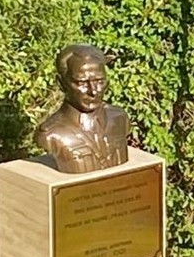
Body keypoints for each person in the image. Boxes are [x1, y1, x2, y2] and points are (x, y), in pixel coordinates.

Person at [35, 44, 130, 173]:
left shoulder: (119, 119)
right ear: (61, 84)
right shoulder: (51, 134)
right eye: (82, 82)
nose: (93, 91)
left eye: (99, 81)